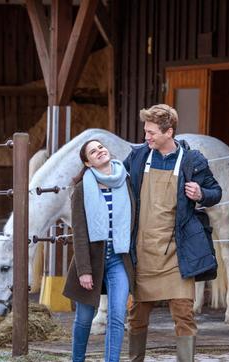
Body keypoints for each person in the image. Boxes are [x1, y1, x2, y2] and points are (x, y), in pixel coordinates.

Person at [124, 104, 222, 362]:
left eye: (151, 132)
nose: (146, 137)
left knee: (184, 315)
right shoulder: (137, 157)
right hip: (143, 252)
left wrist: (201, 194)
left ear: (169, 132)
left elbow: (215, 192)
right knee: (136, 316)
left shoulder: (193, 161)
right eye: (146, 131)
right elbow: (116, 181)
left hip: (177, 254)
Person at [63, 139, 135, 362]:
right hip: (91, 261)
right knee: (84, 319)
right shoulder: (82, 188)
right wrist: (84, 270)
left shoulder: (126, 180)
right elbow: (80, 232)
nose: (100, 152)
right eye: (93, 152)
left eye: (101, 147)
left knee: (116, 317)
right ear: (88, 162)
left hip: (118, 259)